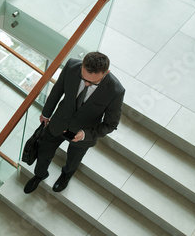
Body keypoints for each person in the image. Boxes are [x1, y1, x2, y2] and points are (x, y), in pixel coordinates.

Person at [24, 52, 125, 194]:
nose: (86, 83)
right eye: (84, 78)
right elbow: (57, 90)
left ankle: (65, 177)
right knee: (44, 151)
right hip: (59, 122)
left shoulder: (116, 91)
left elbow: (111, 124)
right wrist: (46, 113)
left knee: (73, 160)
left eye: (92, 82)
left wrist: (85, 134)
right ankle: (39, 175)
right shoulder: (72, 66)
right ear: (82, 66)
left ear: (106, 72)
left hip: (82, 133)